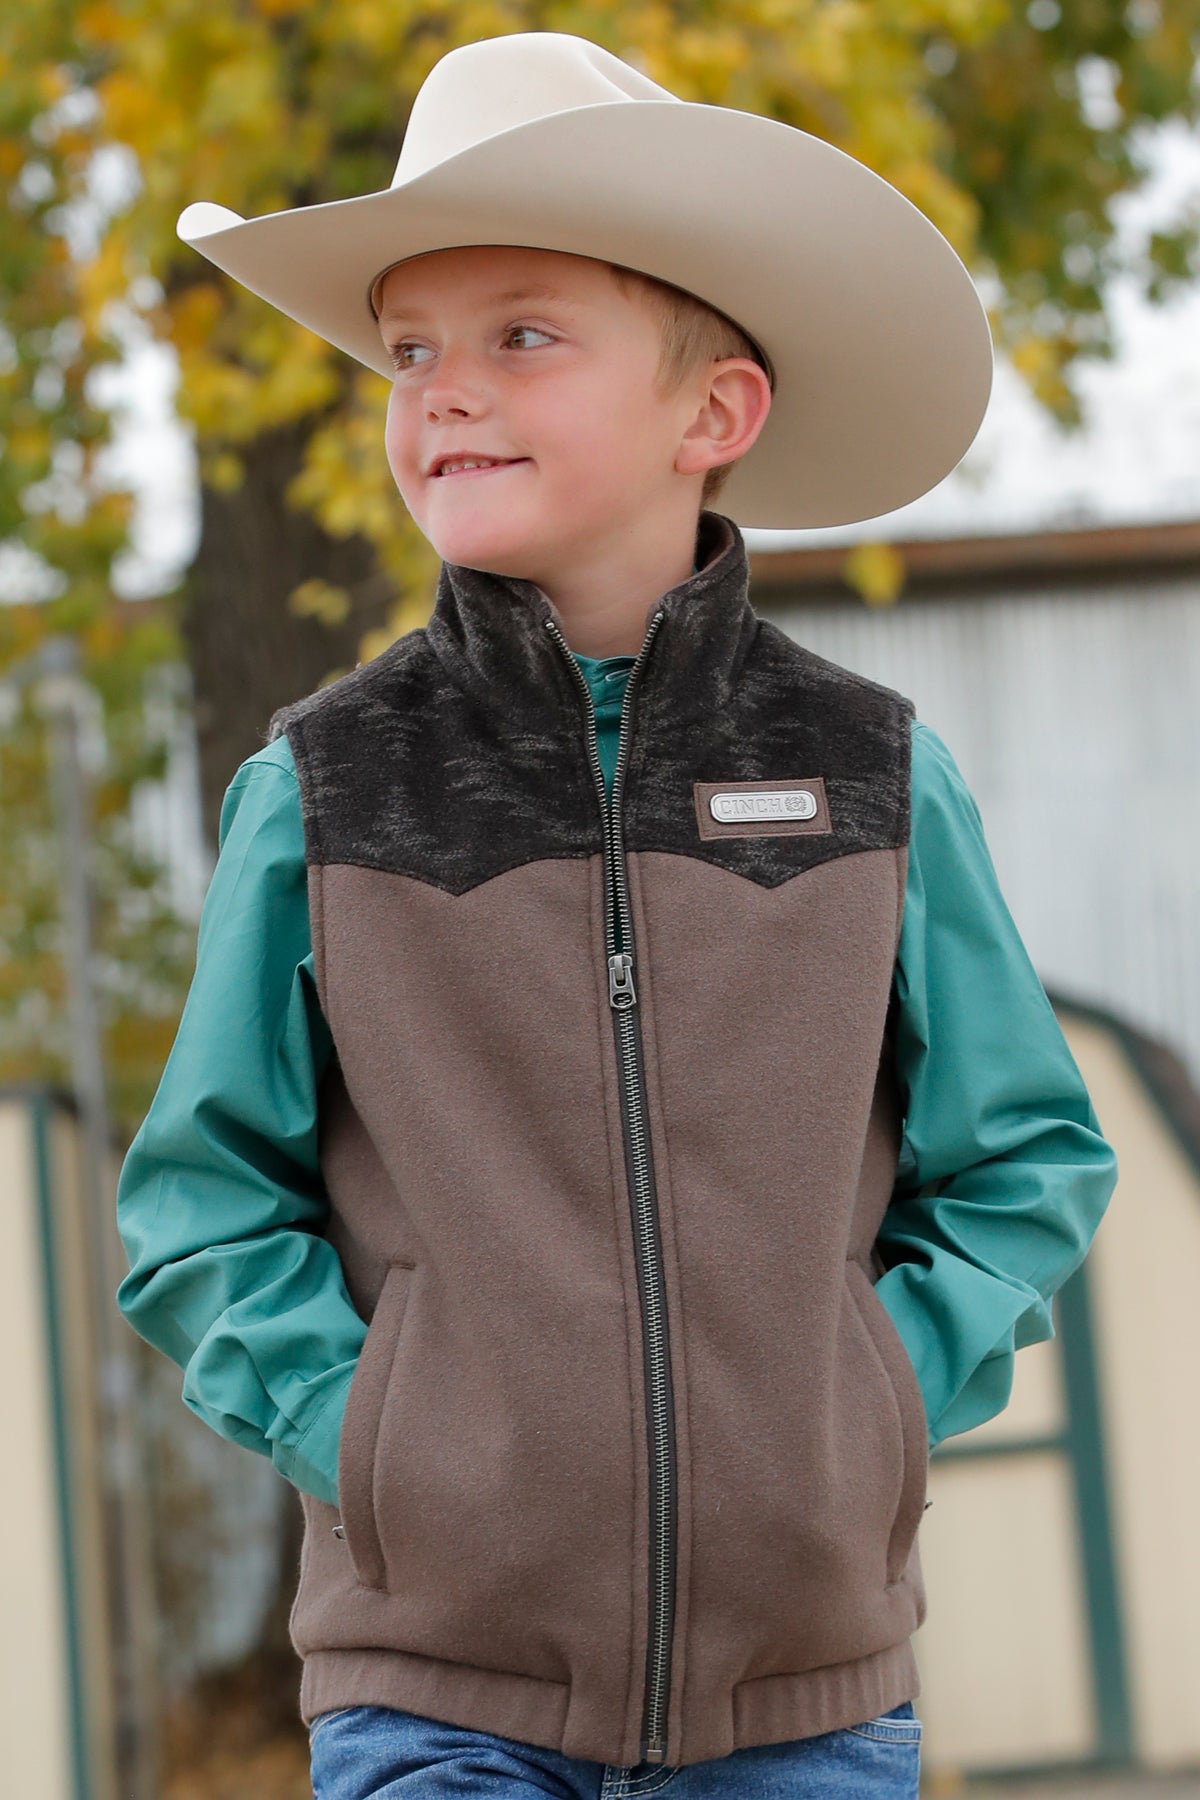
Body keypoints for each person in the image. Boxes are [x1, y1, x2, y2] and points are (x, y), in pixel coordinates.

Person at [115, 30, 1119, 1798]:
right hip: (434, 1699)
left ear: (709, 414)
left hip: (810, 1710)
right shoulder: (326, 790)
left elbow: (1027, 1162)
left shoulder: (870, 778)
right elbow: (200, 1207)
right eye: (410, 348)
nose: (442, 389)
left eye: (521, 334)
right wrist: (374, 1441)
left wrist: (865, 1404)